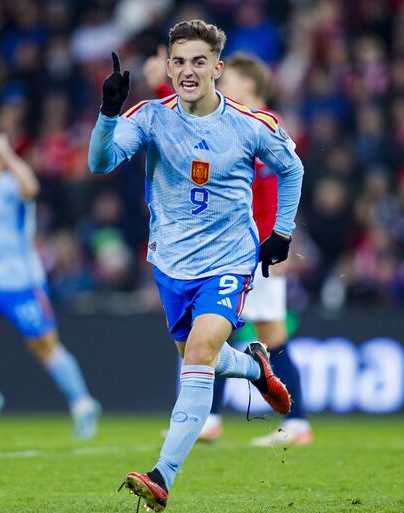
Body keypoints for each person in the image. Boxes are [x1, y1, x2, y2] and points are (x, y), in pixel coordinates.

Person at [89, 20, 304, 512]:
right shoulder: (149, 117)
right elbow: (100, 162)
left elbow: (292, 169)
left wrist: (282, 233)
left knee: (201, 351)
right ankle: (252, 368)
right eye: (180, 62)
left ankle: (162, 474)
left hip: (229, 259)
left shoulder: (251, 126)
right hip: (171, 263)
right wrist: (107, 112)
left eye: (199, 62)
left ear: (217, 69)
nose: (188, 71)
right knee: (199, 356)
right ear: (168, 67)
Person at [143, 50, 313, 446]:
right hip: (229, 245)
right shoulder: (229, 123)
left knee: (267, 334)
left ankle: (296, 423)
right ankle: (211, 418)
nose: (219, 85)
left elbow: (276, 186)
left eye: (230, 79)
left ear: (250, 86)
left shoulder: (261, 127)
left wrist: (280, 239)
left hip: (253, 247)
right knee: (215, 332)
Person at [0, 133, 100, 438]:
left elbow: (32, 187)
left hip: (22, 284)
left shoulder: (10, 184)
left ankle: (83, 404)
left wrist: (9, 154)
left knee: (46, 350)